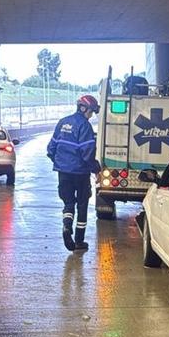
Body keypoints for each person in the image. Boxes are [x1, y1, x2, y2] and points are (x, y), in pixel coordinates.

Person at [47, 94, 101, 251]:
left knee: (68, 203)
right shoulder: (84, 126)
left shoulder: (62, 122)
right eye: (91, 112)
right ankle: (79, 241)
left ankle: (66, 226)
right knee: (82, 204)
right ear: (84, 109)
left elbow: (51, 149)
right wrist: (96, 169)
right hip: (81, 173)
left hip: (63, 172)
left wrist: (61, 163)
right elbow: (87, 152)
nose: (91, 115)